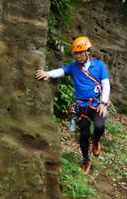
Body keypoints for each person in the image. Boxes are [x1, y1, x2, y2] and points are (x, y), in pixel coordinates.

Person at [35, 36, 110, 174]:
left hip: (97, 104)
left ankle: (97, 141)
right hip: (81, 106)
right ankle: (86, 159)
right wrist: (47, 74)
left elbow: (106, 84)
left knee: (99, 126)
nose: (79, 56)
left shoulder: (99, 66)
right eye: (76, 53)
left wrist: (104, 103)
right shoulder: (73, 67)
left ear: (88, 52)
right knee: (84, 135)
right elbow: (61, 71)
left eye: (81, 52)